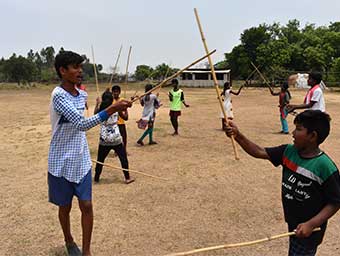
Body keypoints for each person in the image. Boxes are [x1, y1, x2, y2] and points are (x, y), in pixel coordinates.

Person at [49, 51, 131, 256]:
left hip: (81, 158)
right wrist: (111, 109)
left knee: (86, 205)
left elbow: (88, 121)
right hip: (61, 161)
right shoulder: (58, 95)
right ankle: (69, 240)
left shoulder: (82, 94)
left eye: (80, 67)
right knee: (65, 206)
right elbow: (81, 124)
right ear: (63, 70)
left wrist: (118, 107)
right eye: (75, 67)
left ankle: (86, 252)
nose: (80, 71)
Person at [225, 110, 340, 256]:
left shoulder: (324, 166)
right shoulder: (288, 152)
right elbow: (259, 151)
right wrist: (238, 136)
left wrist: (311, 224)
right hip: (293, 222)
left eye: (298, 129)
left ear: (312, 136)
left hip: (309, 231)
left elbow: (335, 202)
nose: (292, 133)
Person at [93, 89, 134, 184]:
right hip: (116, 137)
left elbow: (94, 116)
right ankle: (127, 178)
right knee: (123, 158)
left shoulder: (101, 110)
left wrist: (97, 104)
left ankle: (96, 178)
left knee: (100, 160)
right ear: (112, 100)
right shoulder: (116, 108)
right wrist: (126, 109)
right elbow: (125, 118)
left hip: (104, 138)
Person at [111, 85, 129, 152]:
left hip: (121, 123)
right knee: (115, 138)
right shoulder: (110, 100)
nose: (116, 93)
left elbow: (126, 110)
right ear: (112, 92)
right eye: (114, 92)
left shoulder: (122, 100)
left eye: (117, 92)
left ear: (119, 92)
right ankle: (116, 151)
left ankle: (124, 150)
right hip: (114, 123)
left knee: (124, 137)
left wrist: (126, 109)